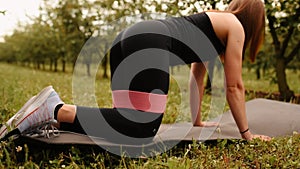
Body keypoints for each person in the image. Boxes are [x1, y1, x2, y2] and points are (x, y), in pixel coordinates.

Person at [0, 0, 271, 143]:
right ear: (255, 21)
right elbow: (235, 86)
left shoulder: (214, 22)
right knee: (142, 129)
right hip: (149, 44)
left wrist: (198, 122)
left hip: (129, 39)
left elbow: (196, 79)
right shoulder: (235, 26)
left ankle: (54, 120)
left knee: (126, 126)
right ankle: (55, 108)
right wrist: (246, 134)